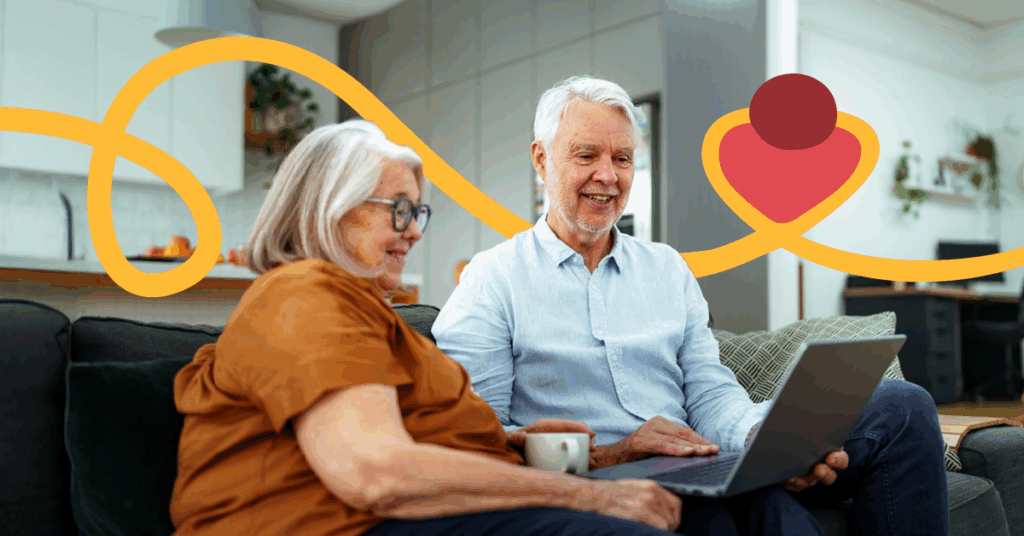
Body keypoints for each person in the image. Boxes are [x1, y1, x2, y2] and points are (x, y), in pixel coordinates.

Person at [431, 75, 950, 536]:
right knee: (751, 517)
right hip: (599, 481)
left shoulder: (667, 269)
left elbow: (707, 394)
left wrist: (764, 442)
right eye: (586, 155)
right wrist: (613, 454)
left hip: (701, 462)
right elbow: (478, 441)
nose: (608, 176)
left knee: (904, 406)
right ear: (542, 160)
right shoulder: (491, 279)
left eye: (623, 158)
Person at [169, 119, 707, 536]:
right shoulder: (303, 295)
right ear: (328, 209)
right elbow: (374, 473)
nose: (414, 232)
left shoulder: (362, 311)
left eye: (418, 213)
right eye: (397, 210)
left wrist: (520, 446)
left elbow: (398, 435)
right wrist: (591, 496)